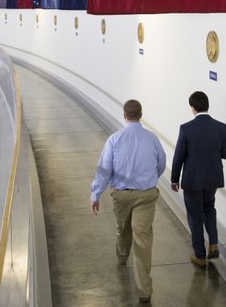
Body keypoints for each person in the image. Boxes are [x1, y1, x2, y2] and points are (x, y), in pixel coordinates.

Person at [91, 99, 166, 303]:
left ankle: (123, 257)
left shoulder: (114, 139)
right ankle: (144, 290)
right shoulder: (152, 139)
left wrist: (95, 194)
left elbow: (104, 170)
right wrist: (148, 180)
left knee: (123, 228)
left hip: (121, 196)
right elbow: (161, 164)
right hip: (146, 195)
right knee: (142, 238)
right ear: (141, 115)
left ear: (125, 116)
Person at [170, 91, 226, 267]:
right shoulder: (221, 127)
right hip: (213, 178)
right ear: (207, 106)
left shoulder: (186, 128)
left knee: (195, 215)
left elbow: (178, 156)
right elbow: (225, 154)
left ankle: (199, 255)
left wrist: (174, 180)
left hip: (193, 180)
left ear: (193, 108)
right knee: (209, 208)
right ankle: (213, 244)